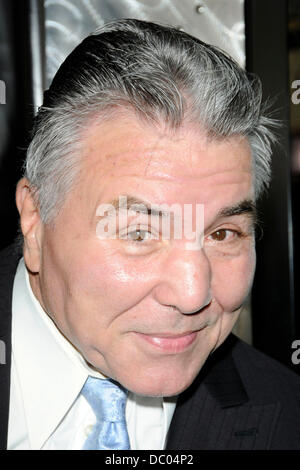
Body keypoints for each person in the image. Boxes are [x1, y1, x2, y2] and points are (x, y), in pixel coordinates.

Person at [1, 18, 300, 451]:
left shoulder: (287, 417)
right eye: (140, 233)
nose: (193, 292)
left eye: (223, 234)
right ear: (34, 219)